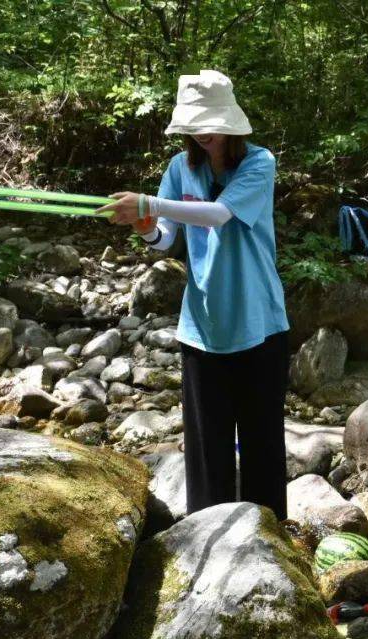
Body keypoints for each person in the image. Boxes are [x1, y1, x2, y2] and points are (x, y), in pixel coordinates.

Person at [98, 70, 290, 519]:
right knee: (207, 451)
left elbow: (219, 214)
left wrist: (149, 204)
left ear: (230, 120)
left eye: (210, 121)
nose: (203, 132)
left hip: (259, 323)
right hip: (202, 326)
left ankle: (272, 539)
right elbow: (168, 239)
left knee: (263, 445)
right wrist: (147, 227)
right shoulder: (180, 167)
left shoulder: (259, 162)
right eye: (195, 123)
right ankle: (206, 536)